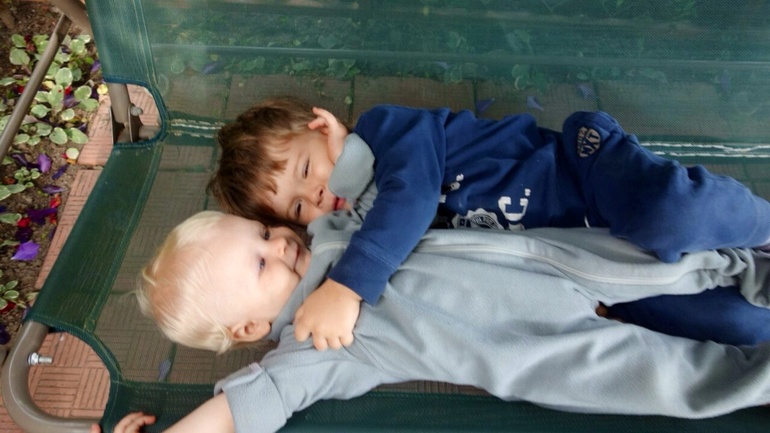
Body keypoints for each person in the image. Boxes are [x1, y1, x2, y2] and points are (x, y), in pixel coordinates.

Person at [98, 203, 770, 433]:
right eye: (260, 264)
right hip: (528, 354)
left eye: (262, 232)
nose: (278, 244)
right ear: (249, 328)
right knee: (662, 378)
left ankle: (755, 261)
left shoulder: (331, 230)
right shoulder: (314, 344)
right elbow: (244, 407)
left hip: (538, 261)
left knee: (672, 261)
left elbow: (388, 186)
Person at [208, 97, 770, 349]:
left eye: (307, 169)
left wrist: (348, 286)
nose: (317, 194)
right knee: (738, 325)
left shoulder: (387, 132)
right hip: (592, 263)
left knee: (668, 213)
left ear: (323, 126)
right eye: (298, 209)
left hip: (584, 172)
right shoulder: (360, 225)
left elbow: (413, 198)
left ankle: (763, 228)